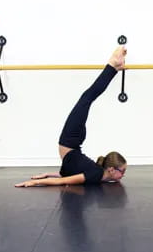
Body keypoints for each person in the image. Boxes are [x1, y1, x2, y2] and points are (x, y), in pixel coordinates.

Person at [15, 47, 127, 188]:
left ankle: (114, 67)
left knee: (87, 98)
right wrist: (37, 181)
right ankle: (113, 65)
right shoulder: (95, 174)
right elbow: (67, 179)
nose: (124, 175)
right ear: (111, 169)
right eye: (122, 171)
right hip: (71, 141)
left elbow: (67, 177)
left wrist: (44, 177)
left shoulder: (96, 175)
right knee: (87, 97)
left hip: (72, 141)